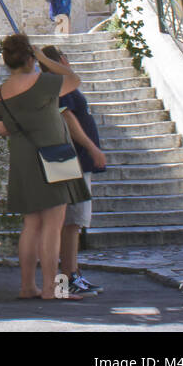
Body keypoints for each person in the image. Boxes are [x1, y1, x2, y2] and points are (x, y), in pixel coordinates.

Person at [0, 33, 90, 301]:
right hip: (55, 154)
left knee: (31, 224)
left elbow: (2, 129)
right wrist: (45, 58)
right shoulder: (44, 82)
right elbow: (74, 79)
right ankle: (51, 288)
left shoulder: (0, 92)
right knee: (53, 225)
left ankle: (27, 286)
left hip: (23, 157)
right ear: (28, 57)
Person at [42, 44, 108, 296]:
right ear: (60, 60)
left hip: (66, 157)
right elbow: (68, 117)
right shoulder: (60, 83)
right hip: (74, 159)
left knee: (69, 221)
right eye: (64, 59)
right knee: (72, 221)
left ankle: (70, 276)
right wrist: (92, 147)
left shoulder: (51, 84)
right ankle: (68, 277)